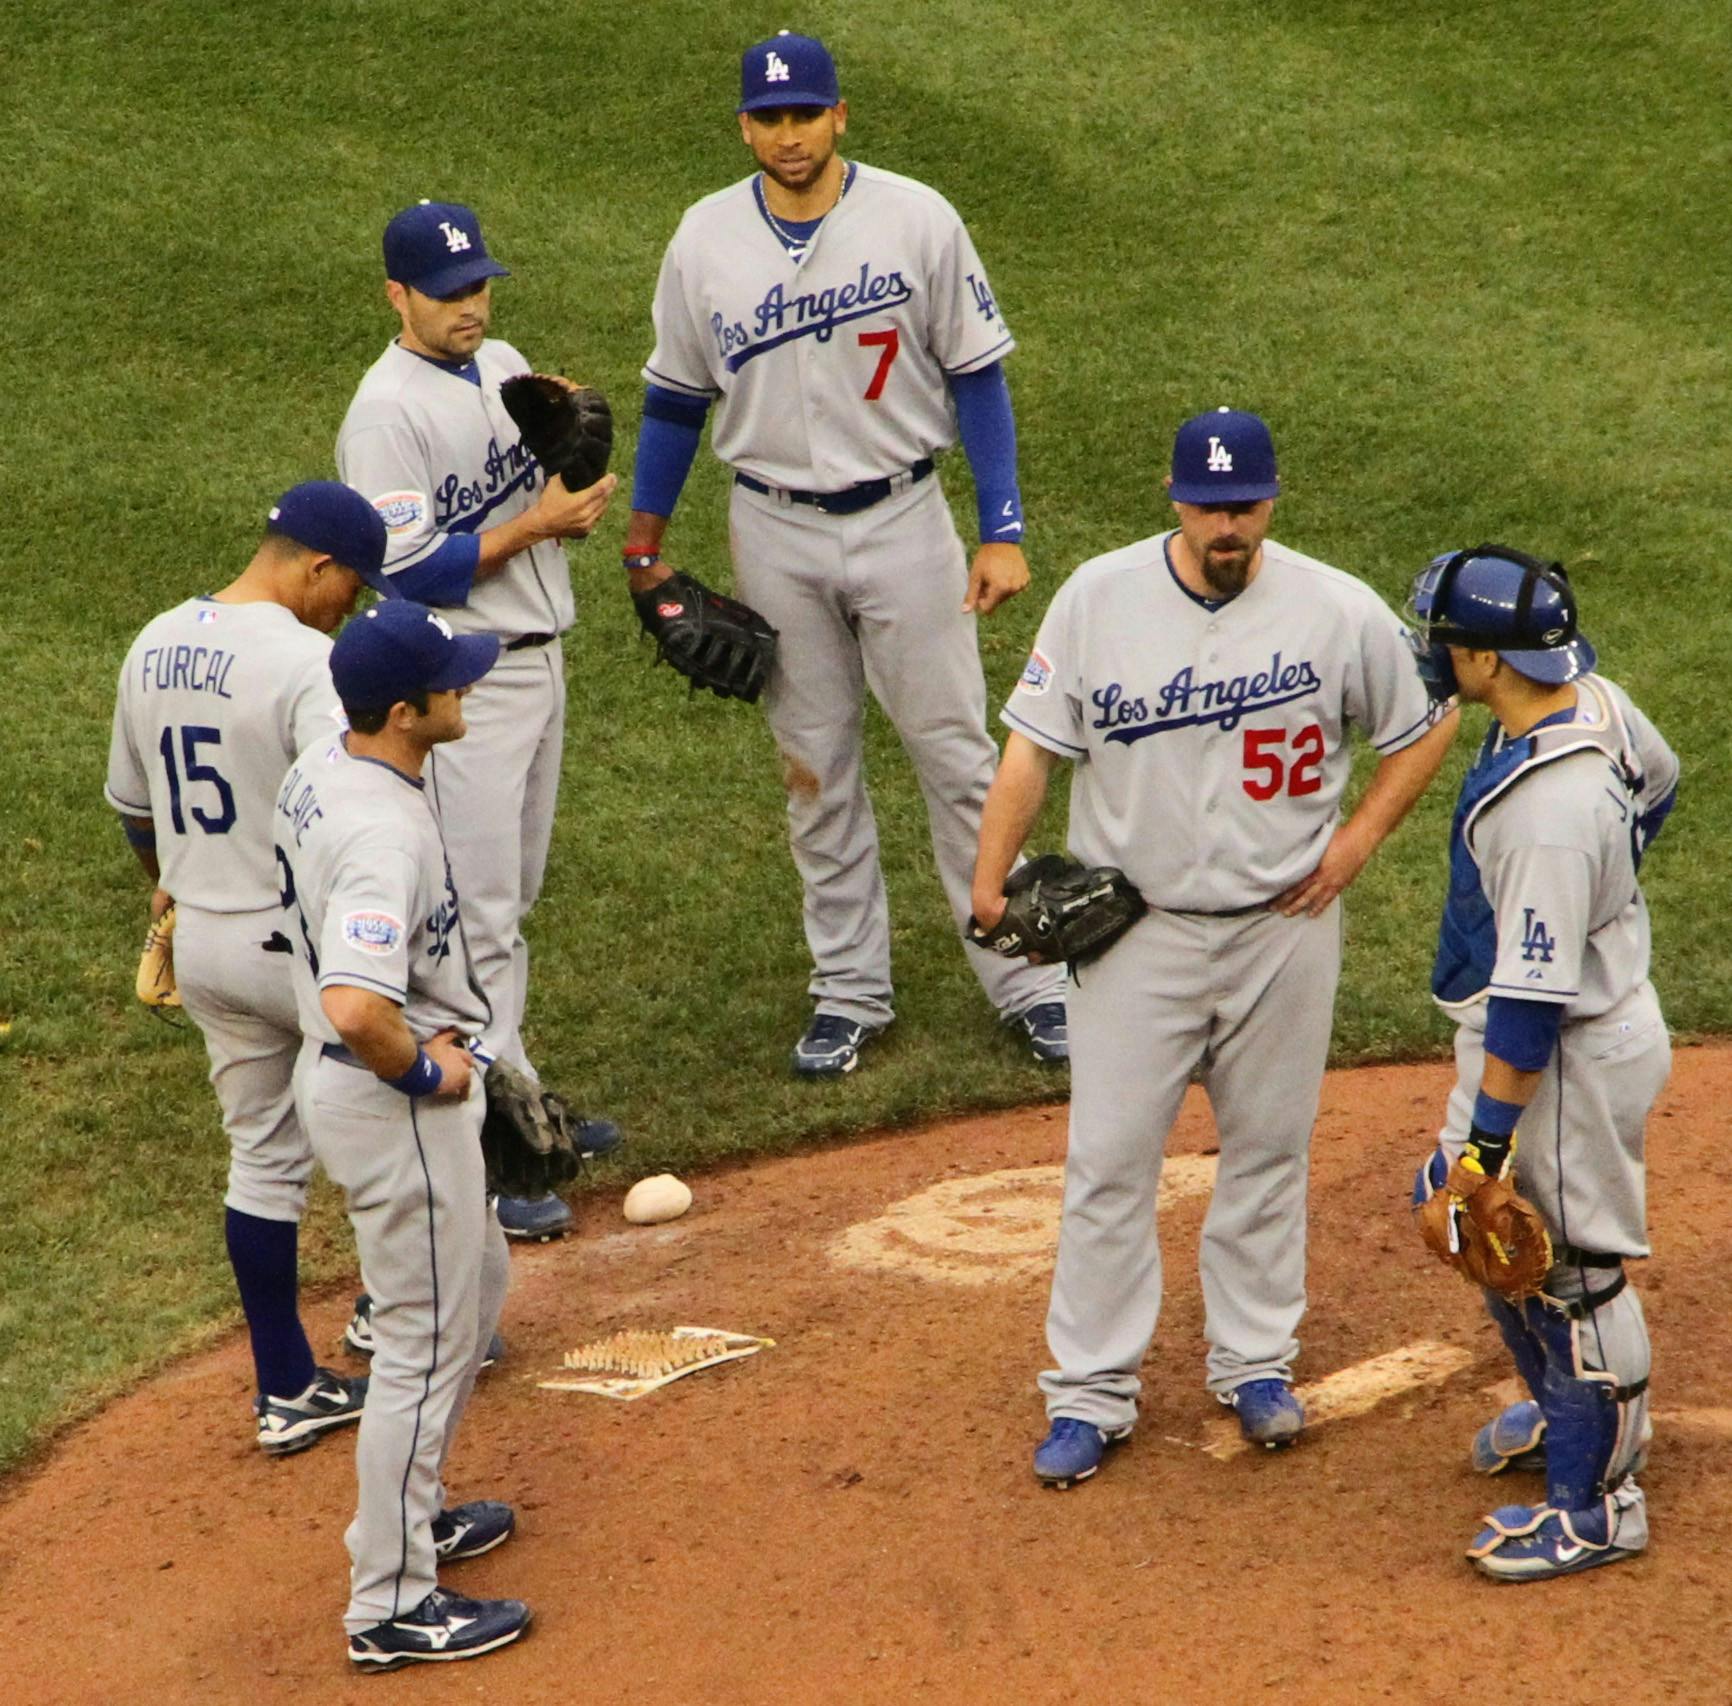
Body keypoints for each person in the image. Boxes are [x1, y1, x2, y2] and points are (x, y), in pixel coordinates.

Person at [971, 408, 1458, 1486]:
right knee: (1107, 1163)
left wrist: (1356, 842)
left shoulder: (1335, 607)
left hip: (1281, 929)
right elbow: (1030, 751)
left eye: (1243, 505)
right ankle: (1090, 1394)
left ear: (1272, 499)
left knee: (1269, 1152)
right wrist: (985, 880)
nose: (1225, 524)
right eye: (1206, 504)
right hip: (1134, 932)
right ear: (1172, 495)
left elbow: (1424, 725)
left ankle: (1255, 1364)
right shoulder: (1098, 595)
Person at [624, 31, 1067, 1077]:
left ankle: (1026, 980)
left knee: (956, 756)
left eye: (805, 115)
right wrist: (644, 541)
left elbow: (978, 376)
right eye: (769, 118)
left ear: (839, 116)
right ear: (745, 125)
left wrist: (1000, 529)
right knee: (814, 771)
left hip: (904, 519)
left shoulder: (916, 218)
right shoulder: (702, 239)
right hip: (770, 524)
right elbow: (675, 399)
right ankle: (849, 993)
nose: (788, 135)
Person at [336, 197, 620, 1242]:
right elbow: (400, 563)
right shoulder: (385, 411)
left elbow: (550, 475)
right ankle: (494, 1148)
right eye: (449, 291)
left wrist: (574, 490)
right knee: (476, 910)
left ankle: (520, 1091)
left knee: (513, 894)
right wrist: (535, 522)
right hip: (465, 687)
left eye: (480, 283)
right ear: (396, 295)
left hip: (539, 660)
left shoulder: (502, 358)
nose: (471, 304)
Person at [1407, 545, 1677, 1580]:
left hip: (1558, 1056)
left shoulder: (1546, 814)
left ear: (1486, 660)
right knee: (1481, 1227)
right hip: (1529, 1037)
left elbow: (1530, 998)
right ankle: (1565, 1408)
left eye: (1444, 638)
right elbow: (1660, 780)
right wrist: (1608, 893)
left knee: (1568, 1269)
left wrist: (1485, 1144)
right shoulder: (1588, 701)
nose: (1433, 650)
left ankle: (1599, 1505)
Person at [104, 481, 384, 1455]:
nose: (352, 604)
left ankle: (286, 1388)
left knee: (263, 1156)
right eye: (352, 584)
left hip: (208, 943)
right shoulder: (311, 662)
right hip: (299, 944)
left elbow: (136, 811)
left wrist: (169, 888)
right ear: (315, 564)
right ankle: (399, 1320)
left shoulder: (152, 641)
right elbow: (346, 810)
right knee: (395, 1126)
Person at [275, 598, 528, 1669]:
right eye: (446, 678)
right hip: (392, 1105)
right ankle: (389, 1605)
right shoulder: (381, 831)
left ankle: (408, 1523)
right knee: (423, 1349)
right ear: (399, 709)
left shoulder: (327, 762)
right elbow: (356, 1004)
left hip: (356, 1092)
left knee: (480, 1287)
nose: (462, 683)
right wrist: (432, 1069)